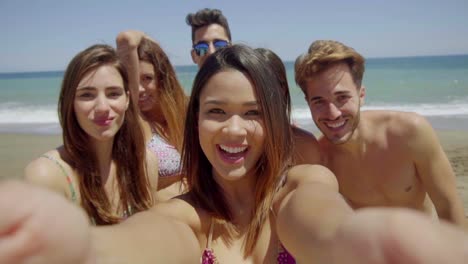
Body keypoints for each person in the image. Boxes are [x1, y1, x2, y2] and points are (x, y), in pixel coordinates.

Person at [2, 45, 468, 264]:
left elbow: (322, 221)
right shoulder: (183, 214)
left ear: (277, 121)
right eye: (216, 111)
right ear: (195, 121)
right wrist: (87, 249)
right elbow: (146, 241)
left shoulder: (301, 185)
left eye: (253, 112)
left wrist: (357, 241)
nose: (233, 128)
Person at [294, 40, 466, 225]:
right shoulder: (322, 161)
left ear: (361, 95)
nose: (333, 113)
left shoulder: (409, 133)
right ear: (308, 102)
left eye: (342, 97)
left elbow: (448, 207)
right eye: (319, 101)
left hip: (424, 246)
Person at [24, 44, 158, 225]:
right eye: (87, 95)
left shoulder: (144, 164)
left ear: (127, 99)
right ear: (70, 102)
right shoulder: (47, 176)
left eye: (113, 94)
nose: (102, 107)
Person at [116, 31, 187, 199]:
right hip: (158, 218)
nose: (140, 89)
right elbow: (125, 39)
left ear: (163, 78)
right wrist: (149, 39)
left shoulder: (185, 111)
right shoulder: (135, 121)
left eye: (147, 78)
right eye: (134, 80)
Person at [256, 48, 321, 165]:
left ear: (283, 89)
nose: (264, 93)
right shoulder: (236, 142)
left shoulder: (303, 144)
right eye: (256, 85)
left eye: (271, 85)